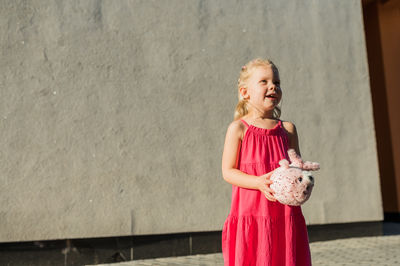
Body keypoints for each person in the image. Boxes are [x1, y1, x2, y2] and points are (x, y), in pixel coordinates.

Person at [221, 58, 312, 265]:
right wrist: (258, 183)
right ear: (245, 92)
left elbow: (296, 167)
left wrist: (303, 180)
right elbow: (228, 171)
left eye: (277, 82)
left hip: (284, 214)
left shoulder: (287, 130)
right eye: (264, 81)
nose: (273, 86)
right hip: (251, 213)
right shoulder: (238, 129)